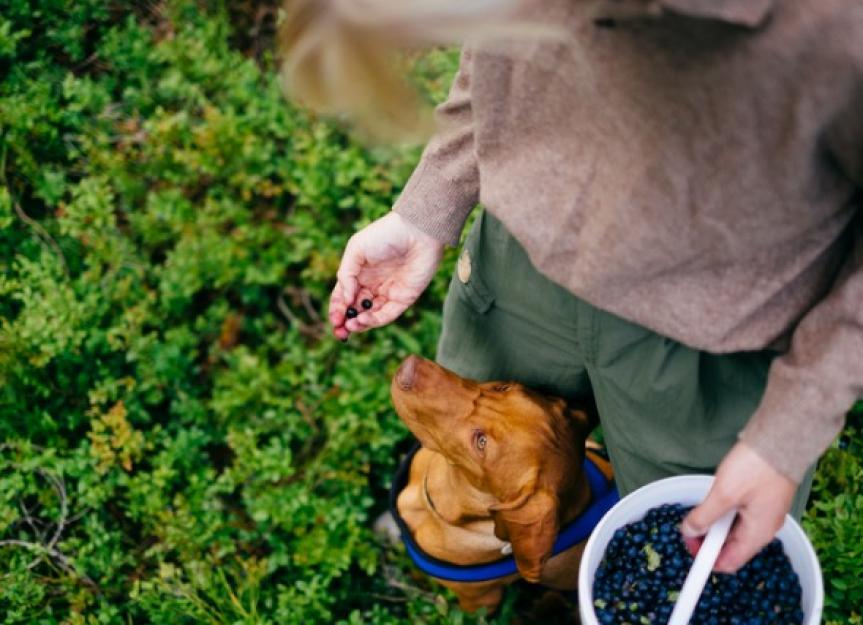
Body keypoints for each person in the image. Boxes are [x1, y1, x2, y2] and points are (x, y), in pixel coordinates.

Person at [286, 0, 863, 573]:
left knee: (693, 552)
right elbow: (498, 66)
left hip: (708, 352)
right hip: (519, 270)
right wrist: (430, 204)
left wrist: (784, 437)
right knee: (477, 444)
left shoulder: (839, 36)